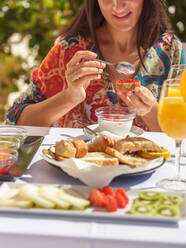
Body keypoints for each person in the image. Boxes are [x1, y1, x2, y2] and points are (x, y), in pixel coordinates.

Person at [5, 0, 185, 131]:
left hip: (149, 180)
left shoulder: (170, 50)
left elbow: (181, 138)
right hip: (78, 177)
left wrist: (150, 111)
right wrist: (69, 97)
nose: (117, 6)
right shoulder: (70, 50)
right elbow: (15, 122)